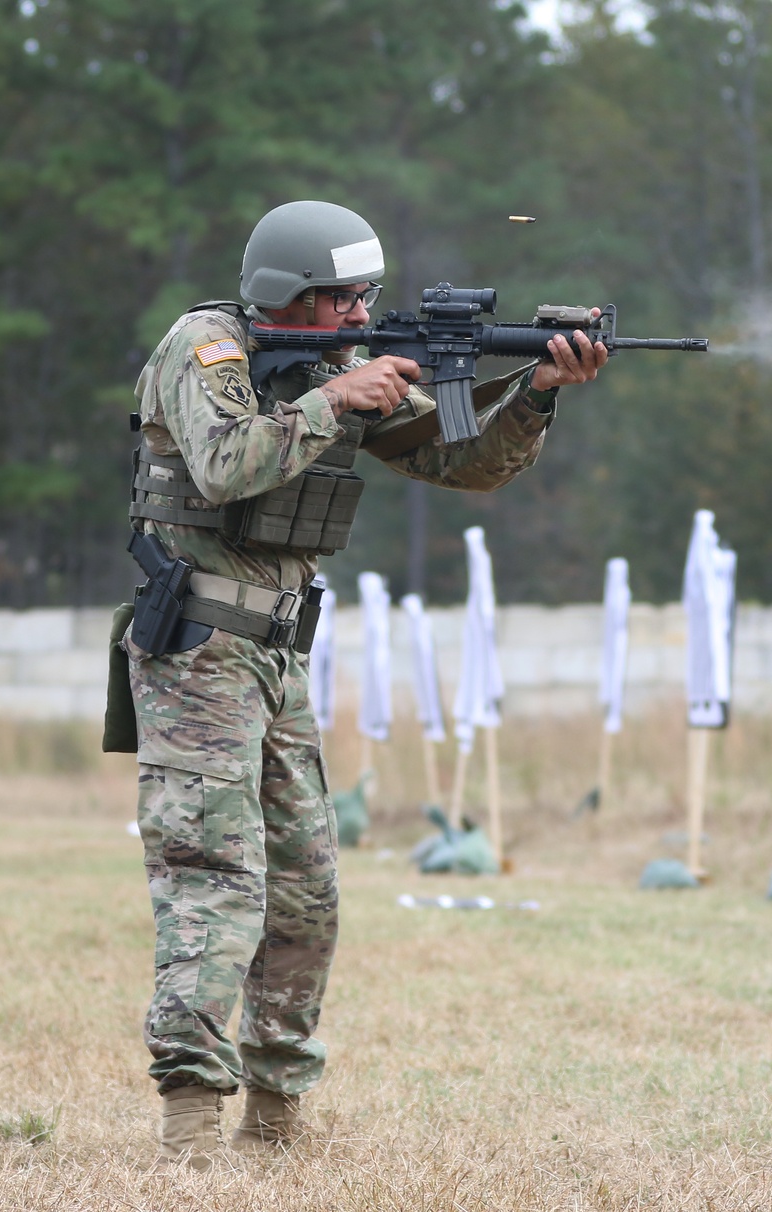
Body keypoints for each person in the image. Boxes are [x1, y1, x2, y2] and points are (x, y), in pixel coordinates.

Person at [124, 200, 607, 1169]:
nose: (356, 315)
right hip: (197, 649)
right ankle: (189, 1126)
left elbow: (459, 460)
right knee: (216, 885)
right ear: (285, 297)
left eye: (364, 298)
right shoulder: (207, 348)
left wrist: (540, 391)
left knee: (306, 893)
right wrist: (333, 402)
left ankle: (274, 1116)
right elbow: (221, 467)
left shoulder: (341, 362)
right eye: (339, 298)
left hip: (278, 654)